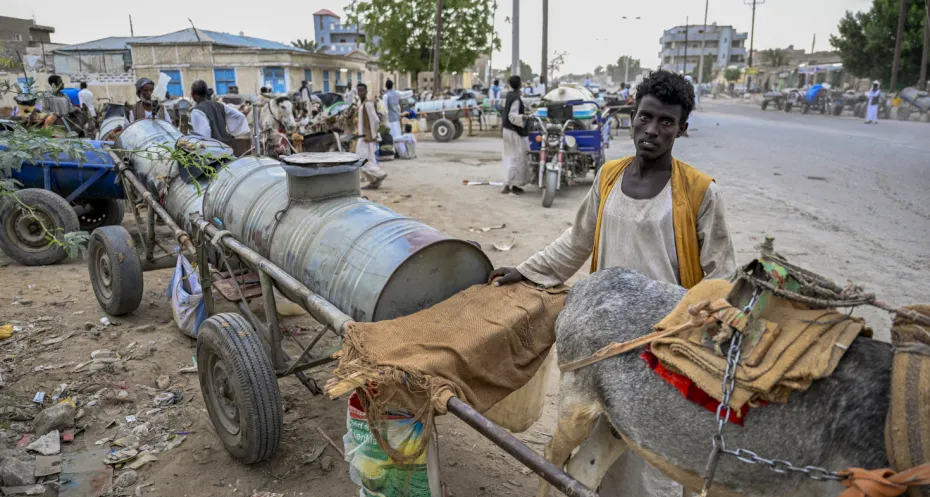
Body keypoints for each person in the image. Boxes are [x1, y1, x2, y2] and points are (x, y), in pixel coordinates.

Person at [489, 70, 735, 497]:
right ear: (631, 117)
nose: (652, 131)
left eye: (666, 122)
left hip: (665, 347)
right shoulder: (608, 177)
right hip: (606, 340)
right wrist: (527, 271)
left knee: (652, 462)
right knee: (596, 445)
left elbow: (721, 275)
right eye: (645, 117)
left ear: (682, 128)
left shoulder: (699, 193)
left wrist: (702, 334)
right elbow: (577, 240)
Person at [354, 82, 388, 189]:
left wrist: (373, 135)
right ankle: (374, 181)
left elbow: (375, 120)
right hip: (363, 136)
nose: (360, 93)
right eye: (358, 91)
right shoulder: (361, 104)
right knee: (368, 159)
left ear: (366, 91)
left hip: (366, 137)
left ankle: (379, 174)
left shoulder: (368, 104)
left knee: (361, 159)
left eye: (362, 90)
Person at [501, 75, 529, 195]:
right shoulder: (516, 98)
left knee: (509, 157)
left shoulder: (509, 95)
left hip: (506, 130)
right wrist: (524, 117)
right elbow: (512, 116)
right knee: (518, 158)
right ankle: (515, 185)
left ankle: (507, 185)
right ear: (520, 84)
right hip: (514, 131)